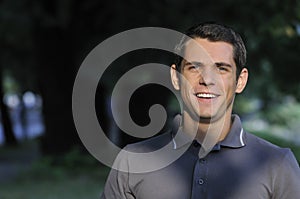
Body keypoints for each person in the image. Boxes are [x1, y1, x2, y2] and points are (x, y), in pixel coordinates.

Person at [100, 22, 300, 199]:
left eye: (221, 68)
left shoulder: (278, 164)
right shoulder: (132, 161)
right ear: (176, 77)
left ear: (240, 81)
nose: (207, 79)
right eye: (194, 67)